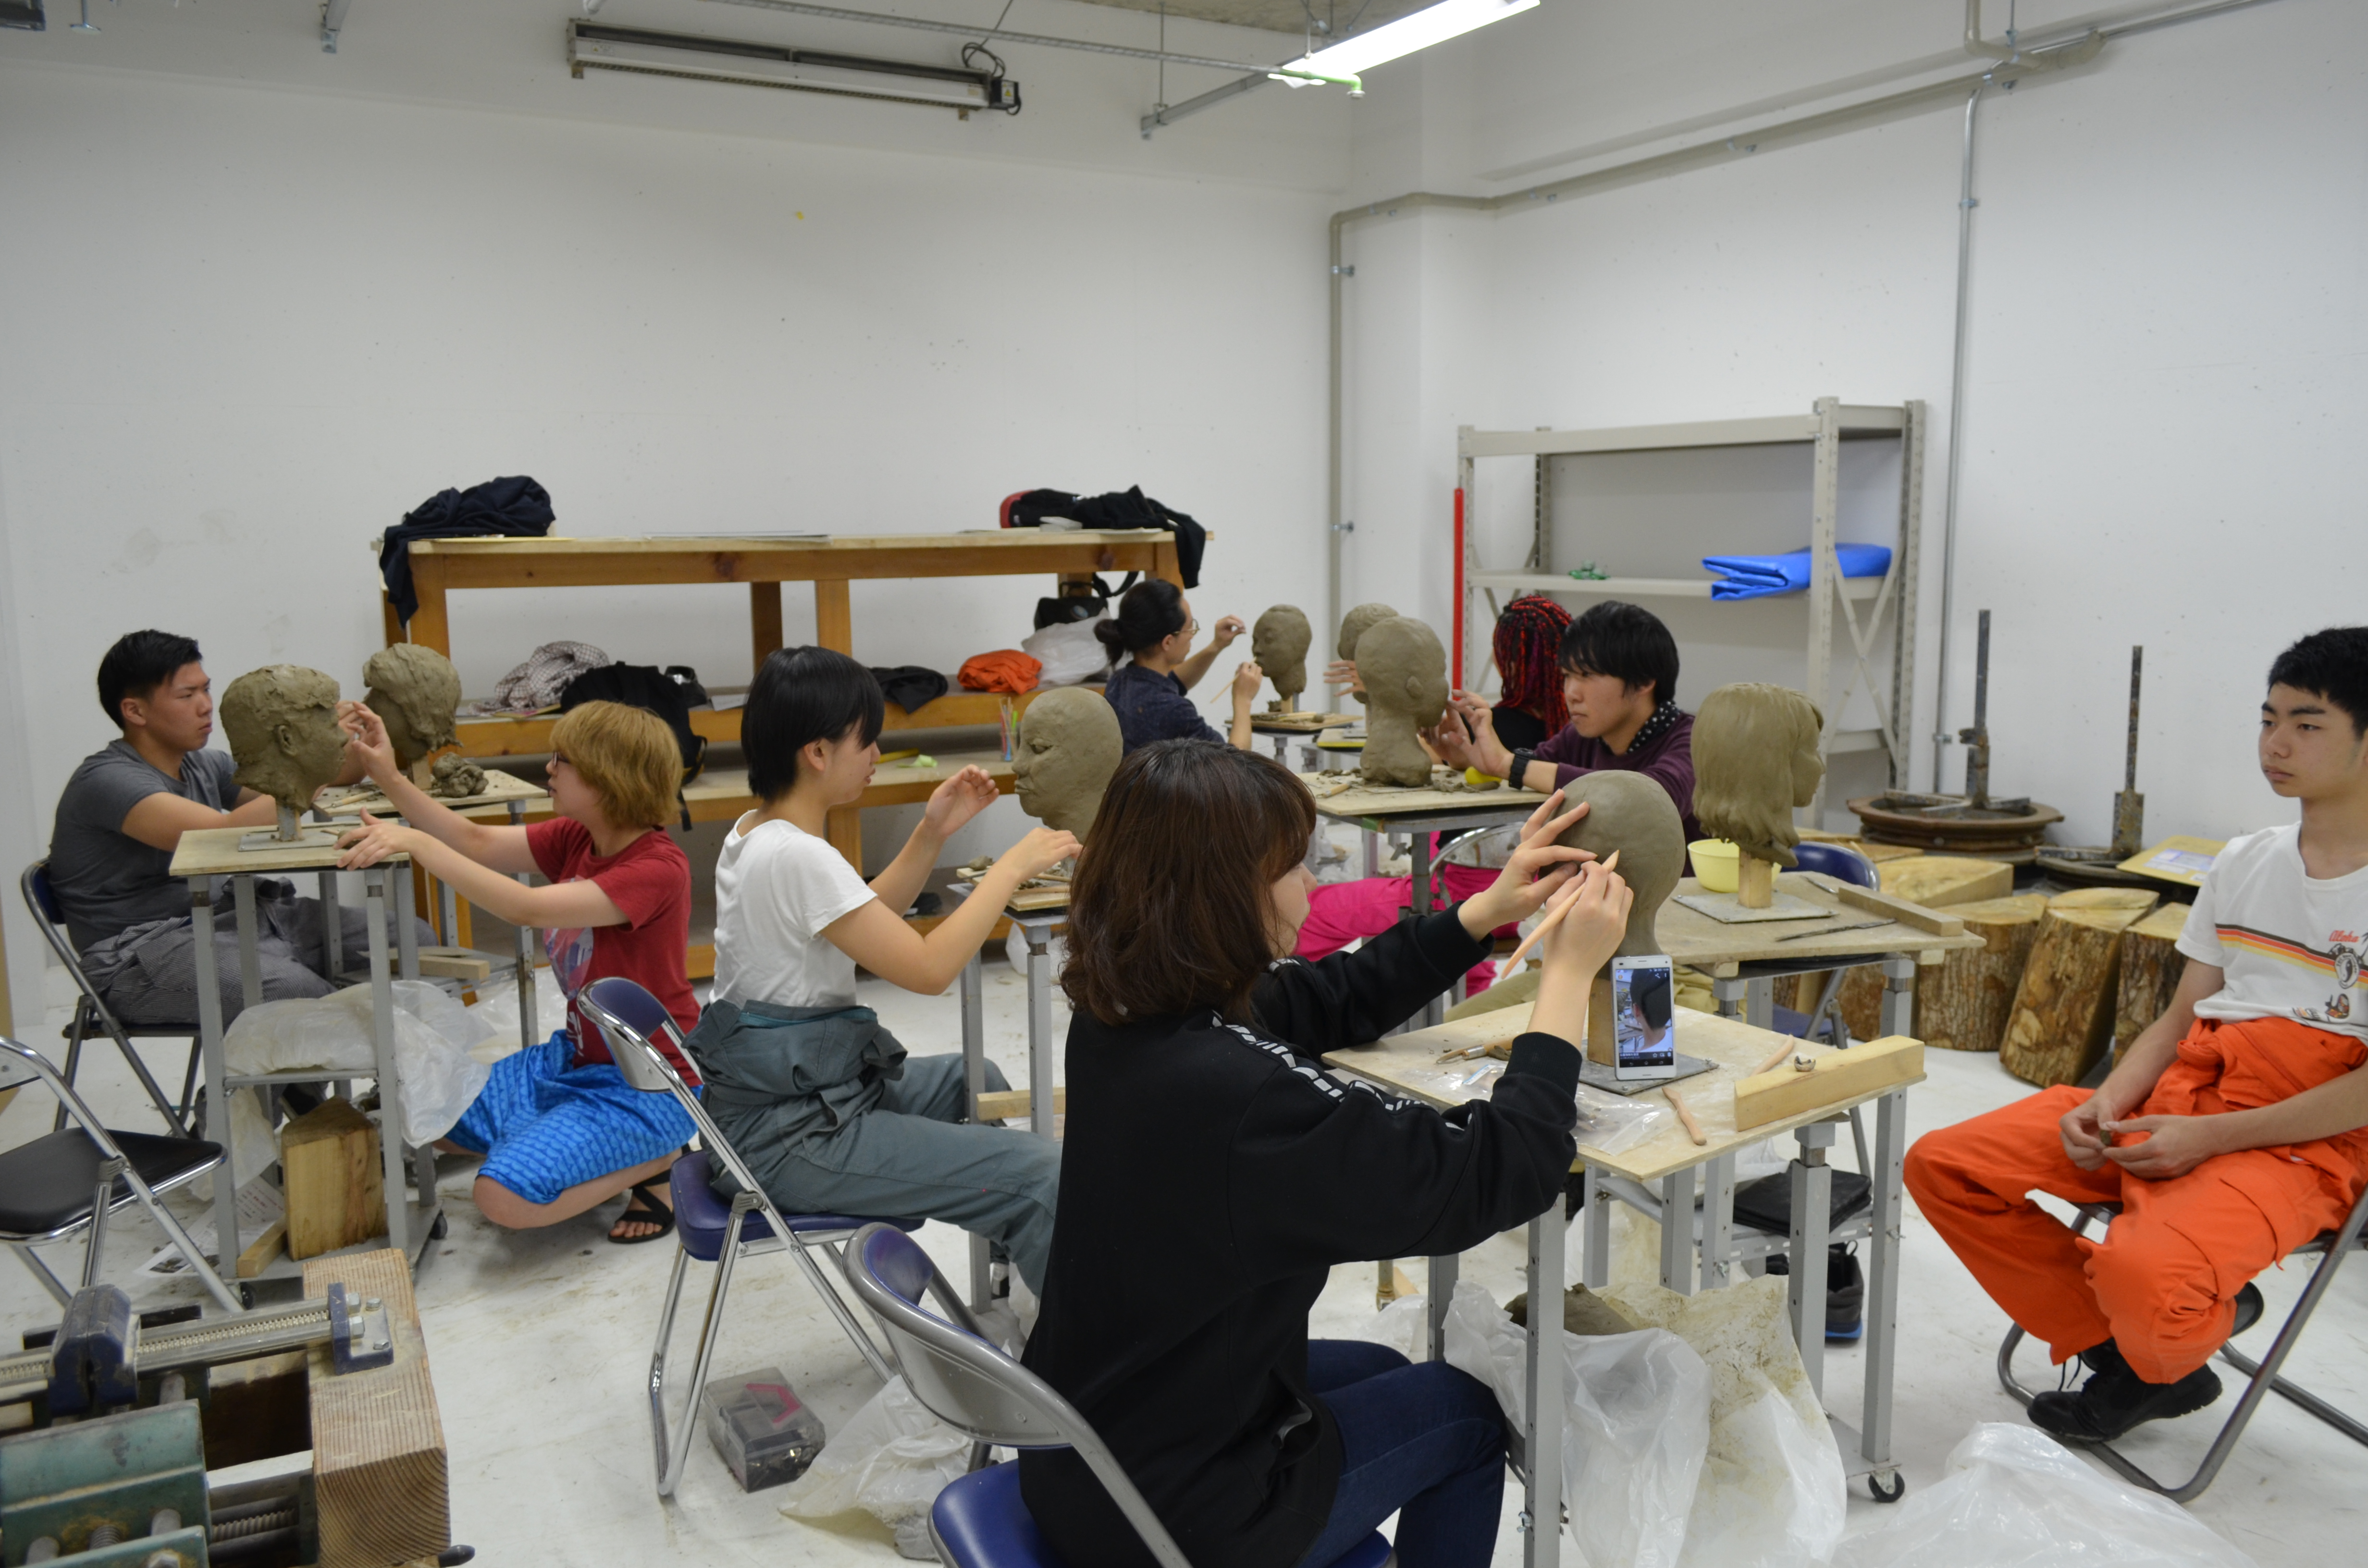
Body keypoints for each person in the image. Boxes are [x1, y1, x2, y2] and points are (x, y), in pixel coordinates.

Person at [1020, 739, 1631, 1568]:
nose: (1311, 884)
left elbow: (1325, 998)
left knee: (1378, 1365)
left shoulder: (1123, 1011)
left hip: (1082, 1445)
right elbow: (1500, 1169)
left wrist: (1484, 913)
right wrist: (1566, 977)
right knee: (1467, 1412)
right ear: (1221, 894)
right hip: (1173, 1518)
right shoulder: (1242, 1101)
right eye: (1289, 868)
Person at [1905, 626, 2368, 1443]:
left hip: (2306, 1139)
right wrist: (2109, 1101)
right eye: (2267, 720)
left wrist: (2210, 1138)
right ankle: (2145, 1347)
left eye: (2306, 724)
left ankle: (2166, 1317)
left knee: (2146, 1271)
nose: (2274, 744)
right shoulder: (2244, 861)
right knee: (1946, 1165)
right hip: (2185, 1094)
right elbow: (2181, 1018)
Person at [681, 647, 1076, 1293]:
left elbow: (859, 916)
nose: (874, 755)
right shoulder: (797, 856)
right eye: (866, 741)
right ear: (817, 752)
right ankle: (1069, 1333)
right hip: (790, 1136)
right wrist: (1007, 870)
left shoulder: (756, 832)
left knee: (976, 1078)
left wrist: (931, 832)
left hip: (789, 1106)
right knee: (1039, 1174)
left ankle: (1021, 1255)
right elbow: (927, 970)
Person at [335, 699, 701, 1244]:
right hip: (577, 1061)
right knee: (437, 1119)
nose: (549, 768)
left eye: (562, 760)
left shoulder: (656, 869)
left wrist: (415, 844)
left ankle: (663, 1160)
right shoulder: (579, 837)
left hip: (648, 1084)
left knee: (502, 1199)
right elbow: (476, 842)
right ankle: (587, 1145)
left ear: (607, 777)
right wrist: (386, 774)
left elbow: (524, 909)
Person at [46, 629, 423, 1030]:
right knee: (296, 992)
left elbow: (292, 797)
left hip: (225, 921)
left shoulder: (202, 764)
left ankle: (359, 1060)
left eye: (206, 690)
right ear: (135, 711)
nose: (206, 706)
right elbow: (217, 832)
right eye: (187, 695)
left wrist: (359, 741)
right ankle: (318, 1071)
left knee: (411, 937)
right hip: (138, 955)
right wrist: (314, 756)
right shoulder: (107, 781)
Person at [1290, 595, 1578, 995]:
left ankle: (1281, 1005)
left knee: (1308, 911)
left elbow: (1405, 758)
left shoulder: (1492, 728)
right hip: (1541, 896)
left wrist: (1382, 692)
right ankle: (1471, 990)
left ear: (1509, 660)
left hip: (1471, 897)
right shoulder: (1571, 736)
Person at [1423, 599, 1701, 842]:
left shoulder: (1694, 740)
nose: (1571, 693)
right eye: (1567, 675)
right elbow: (1535, 770)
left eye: (1587, 675)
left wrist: (1509, 764)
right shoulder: (1580, 738)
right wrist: (1466, 759)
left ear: (1643, 681)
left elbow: (1651, 799)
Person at [1097, 578, 1263, 752]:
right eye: (1190, 628)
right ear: (1168, 642)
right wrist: (1243, 700)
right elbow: (1234, 763)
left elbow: (1172, 682)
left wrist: (1216, 646)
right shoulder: (1174, 711)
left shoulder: (1120, 681)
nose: (1192, 635)